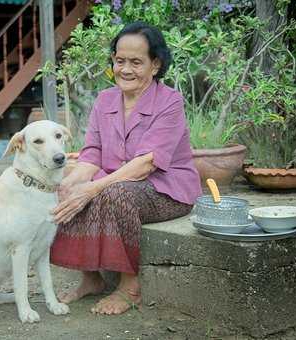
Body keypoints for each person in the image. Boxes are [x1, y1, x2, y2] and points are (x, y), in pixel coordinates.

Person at [50, 21, 202, 315]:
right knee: (67, 184)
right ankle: (91, 279)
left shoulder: (170, 101)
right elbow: (92, 153)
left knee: (111, 192)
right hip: (118, 183)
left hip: (166, 191)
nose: (126, 69)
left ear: (155, 64)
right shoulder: (105, 99)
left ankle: (130, 287)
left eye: (136, 62)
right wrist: (72, 183)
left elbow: (147, 164)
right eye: (120, 61)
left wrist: (91, 188)